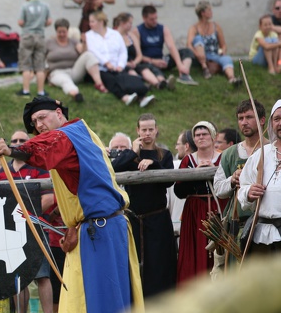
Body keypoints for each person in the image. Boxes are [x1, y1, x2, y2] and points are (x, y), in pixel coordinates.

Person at [0, 96, 143, 313]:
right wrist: (72, 225)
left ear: (59, 112)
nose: (39, 125)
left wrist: (11, 150)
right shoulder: (79, 135)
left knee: (105, 299)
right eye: (34, 122)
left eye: (42, 117)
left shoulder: (69, 134)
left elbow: (45, 147)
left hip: (102, 229)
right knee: (86, 299)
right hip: (96, 227)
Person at [111, 114, 176, 298]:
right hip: (134, 218)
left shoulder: (164, 155)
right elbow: (114, 169)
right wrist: (132, 152)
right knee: (134, 264)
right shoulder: (130, 156)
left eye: (150, 129)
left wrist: (153, 163)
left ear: (156, 130)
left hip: (158, 219)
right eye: (143, 129)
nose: (147, 133)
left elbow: (168, 181)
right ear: (137, 131)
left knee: (159, 264)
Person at [0, 129, 55, 313]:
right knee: (18, 276)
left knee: (42, 275)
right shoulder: (3, 170)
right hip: (12, 228)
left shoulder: (39, 167)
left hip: (36, 226)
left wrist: (27, 215)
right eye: (15, 140)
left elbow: (49, 198)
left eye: (23, 140)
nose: (18, 142)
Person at [174, 121, 227, 284]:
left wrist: (214, 171)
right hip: (195, 211)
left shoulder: (223, 157)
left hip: (219, 208)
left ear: (213, 137)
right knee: (194, 251)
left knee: (220, 250)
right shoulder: (188, 160)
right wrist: (195, 174)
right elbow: (179, 192)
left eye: (204, 134)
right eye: (197, 135)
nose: (201, 137)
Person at [213, 100, 267, 238]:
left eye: (249, 117)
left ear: (262, 120)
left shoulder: (273, 150)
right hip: (236, 225)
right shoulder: (229, 154)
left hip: (266, 224)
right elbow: (218, 189)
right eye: (240, 118)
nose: (244, 122)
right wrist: (232, 180)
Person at [237, 99, 281, 254]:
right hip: (261, 235)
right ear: (271, 123)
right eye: (276, 119)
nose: (280, 123)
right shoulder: (261, 153)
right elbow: (242, 188)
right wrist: (249, 193)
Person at [85, 11, 154, 107]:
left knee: (127, 78)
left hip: (118, 66)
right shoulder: (89, 35)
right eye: (90, 22)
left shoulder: (115, 34)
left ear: (101, 22)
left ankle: (142, 97)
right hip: (101, 68)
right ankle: (124, 97)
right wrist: (106, 63)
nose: (90, 24)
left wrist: (121, 65)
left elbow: (123, 51)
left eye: (93, 22)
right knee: (110, 80)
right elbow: (93, 51)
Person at [134, 5, 197, 85]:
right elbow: (137, 55)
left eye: (156, 18)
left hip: (161, 59)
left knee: (187, 51)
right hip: (147, 62)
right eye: (151, 19)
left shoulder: (163, 29)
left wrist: (179, 64)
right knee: (145, 66)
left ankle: (184, 74)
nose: (155, 21)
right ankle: (160, 80)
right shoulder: (137, 31)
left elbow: (171, 47)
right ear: (144, 18)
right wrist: (153, 61)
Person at [45, 18, 104, 102]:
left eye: (64, 32)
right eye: (59, 32)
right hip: (57, 72)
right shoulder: (49, 42)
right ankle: (75, 94)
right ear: (56, 31)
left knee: (89, 55)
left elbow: (83, 53)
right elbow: (41, 58)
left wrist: (84, 43)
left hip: (73, 71)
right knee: (65, 80)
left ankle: (99, 83)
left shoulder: (73, 41)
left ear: (68, 31)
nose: (62, 34)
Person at [186, 1, 242, 86]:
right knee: (198, 38)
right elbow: (189, 45)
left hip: (214, 55)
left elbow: (223, 45)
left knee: (226, 58)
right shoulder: (194, 28)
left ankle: (232, 78)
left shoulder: (216, 26)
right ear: (203, 13)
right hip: (199, 56)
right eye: (209, 10)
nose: (211, 12)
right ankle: (205, 68)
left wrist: (223, 51)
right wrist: (197, 54)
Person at [113, 12, 170, 91]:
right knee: (130, 71)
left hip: (134, 62)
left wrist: (135, 63)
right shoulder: (113, 36)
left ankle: (158, 83)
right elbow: (112, 56)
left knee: (144, 68)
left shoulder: (131, 36)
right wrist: (126, 64)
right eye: (129, 23)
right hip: (121, 64)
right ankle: (143, 84)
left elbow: (139, 54)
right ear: (122, 23)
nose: (131, 25)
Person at [17, 0, 52, 97]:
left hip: (27, 36)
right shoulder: (45, 6)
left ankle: (26, 91)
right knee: (40, 65)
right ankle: (41, 91)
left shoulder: (25, 6)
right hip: (40, 36)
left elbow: (21, 22)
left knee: (26, 64)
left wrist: (24, 24)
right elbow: (49, 22)